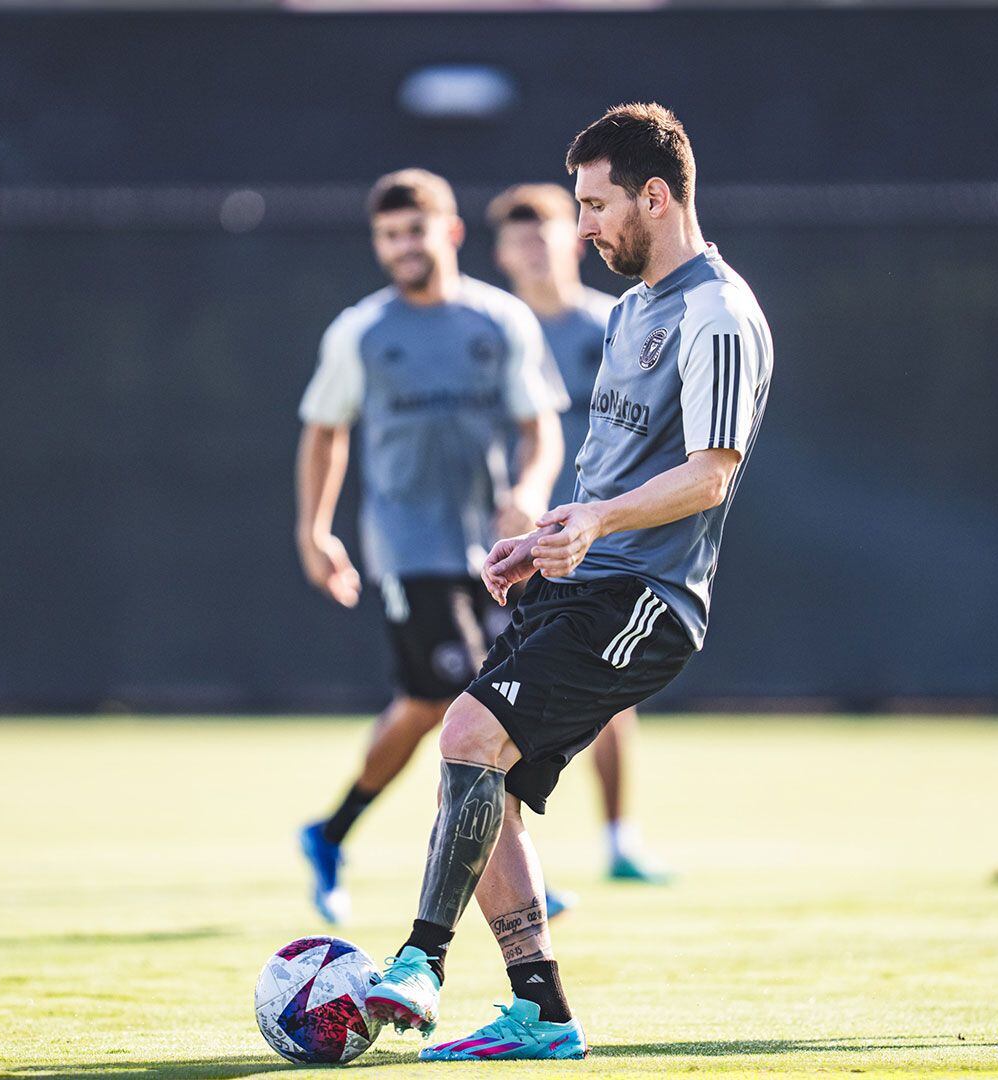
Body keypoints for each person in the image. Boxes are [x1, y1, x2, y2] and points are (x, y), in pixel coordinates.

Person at [365, 103, 774, 1061]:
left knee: (465, 737)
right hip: (586, 581)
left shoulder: (719, 312)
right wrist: (547, 533)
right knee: (485, 786)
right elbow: (606, 470)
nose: (582, 227)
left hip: (649, 600)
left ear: (657, 197)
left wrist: (593, 524)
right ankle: (540, 1012)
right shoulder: (631, 310)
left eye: (594, 206)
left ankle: (419, 962)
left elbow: (713, 472)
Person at [293, 167, 574, 926]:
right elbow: (324, 431)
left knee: (461, 707)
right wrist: (314, 530)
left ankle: (337, 832)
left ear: (449, 232)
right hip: (408, 550)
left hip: (495, 555)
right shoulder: (362, 331)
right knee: (448, 700)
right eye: (388, 236)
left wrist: (530, 488)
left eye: (414, 230)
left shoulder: (499, 321)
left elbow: (539, 423)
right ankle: (352, 835)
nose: (402, 247)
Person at [487, 182, 673, 885]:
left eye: (548, 231)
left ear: (574, 237)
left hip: (598, 539)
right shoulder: (492, 330)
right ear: (501, 252)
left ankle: (621, 839)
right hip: (509, 544)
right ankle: (513, 857)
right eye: (519, 236)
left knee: (607, 696)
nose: (534, 247)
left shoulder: (618, 323)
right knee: (494, 696)